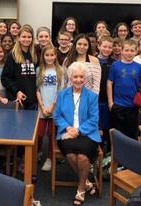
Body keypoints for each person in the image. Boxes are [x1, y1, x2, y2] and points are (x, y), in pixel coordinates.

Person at [53, 62, 100, 206]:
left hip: (88, 133)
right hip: (66, 132)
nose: (78, 80)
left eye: (81, 77)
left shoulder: (91, 96)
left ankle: (80, 189)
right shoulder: (62, 94)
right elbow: (56, 116)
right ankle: (85, 181)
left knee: (82, 156)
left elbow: (94, 119)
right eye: (75, 77)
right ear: (70, 78)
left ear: (85, 78)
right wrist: (68, 128)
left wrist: (78, 131)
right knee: (71, 155)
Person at [107, 40, 141, 139]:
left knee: (132, 133)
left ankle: (130, 153)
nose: (129, 53)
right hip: (118, 105)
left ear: (136, 51)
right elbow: (109, 83)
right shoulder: (115, 65)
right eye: (127, 50)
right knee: (117, 133)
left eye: (132, 50)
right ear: (122, 51)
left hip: (133, 106)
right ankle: (116, 153)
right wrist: (110, 103)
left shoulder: (139, 67)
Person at [36, 44, 65, 172]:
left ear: (56, 56)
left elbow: (61, 91)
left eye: (52, 55)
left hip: (55, 108)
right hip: (42, 108)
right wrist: (42, 106)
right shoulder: (39, 70)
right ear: (43, 56)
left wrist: (52, 106)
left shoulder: (60, 71)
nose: (49, 57)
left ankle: (49, 158)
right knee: (39, 134)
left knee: (52, 135)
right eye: (47, 55)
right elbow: (37, 90)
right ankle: (38, 153)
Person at [1, 25, 38, 110]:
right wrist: (16, 91)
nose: (26, 39)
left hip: (33, 100)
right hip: (17, 100)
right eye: (24, 36)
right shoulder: (12, 56)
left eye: (29, 37)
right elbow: (5, 78)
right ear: (18, 38)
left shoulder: (35, 55)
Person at [97, 36, 115, 151]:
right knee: (96, 127)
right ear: (99, 46)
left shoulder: (114, 63)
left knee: (107, 127)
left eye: (109, 47)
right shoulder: (92, 60)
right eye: (104, 46)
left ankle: (107, 153)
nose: (107, 49)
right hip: (95, 99)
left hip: (108, 100)